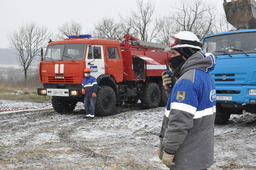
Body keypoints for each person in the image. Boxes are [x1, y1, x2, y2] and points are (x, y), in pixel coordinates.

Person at [158, 31, 216, 170]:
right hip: (199, 153)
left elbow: (180, 121)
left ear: (185, 55)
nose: (170, 58)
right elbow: (191, 108)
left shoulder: (187, 81)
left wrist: (169, 149)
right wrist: (172, 89)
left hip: (186, 157)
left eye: (173, 54)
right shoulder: (203, 75)